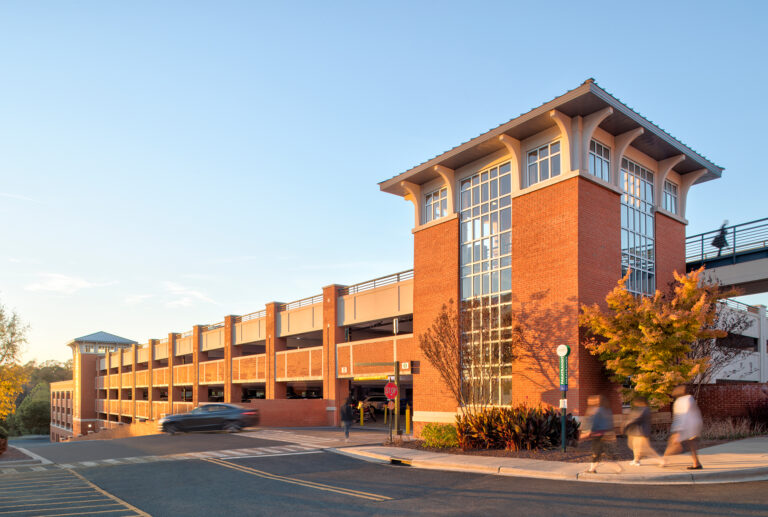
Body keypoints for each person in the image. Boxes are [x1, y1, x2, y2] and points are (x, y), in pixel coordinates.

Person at [661, 385, 703, 469]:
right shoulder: (690, 398)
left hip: (685, 426)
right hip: (695, 425)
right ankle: (696, 463)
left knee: (673, 442)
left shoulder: (681, 401)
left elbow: (682, 415)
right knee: (692, 444)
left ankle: (664, 460)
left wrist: (678, 430)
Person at [622, 395, 660, 466]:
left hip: (640, 432)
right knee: (635, 447)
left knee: (645, 449)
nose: (635, 403)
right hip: (637, 431)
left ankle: (660, 460)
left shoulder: (644, 409)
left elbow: (636, 418)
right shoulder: (644, 409)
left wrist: (626, 424)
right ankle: (636, 460)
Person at [582, 395, 614, 473]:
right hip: (604, 434)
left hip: (597, 434)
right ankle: (592, 469)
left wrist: (587, 433)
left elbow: (594, 423)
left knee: (597, 452)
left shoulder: (597, 410)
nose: (589, 401)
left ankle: (617, 468)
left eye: (591, 400)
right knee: (599, 452)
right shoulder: (606, 410)